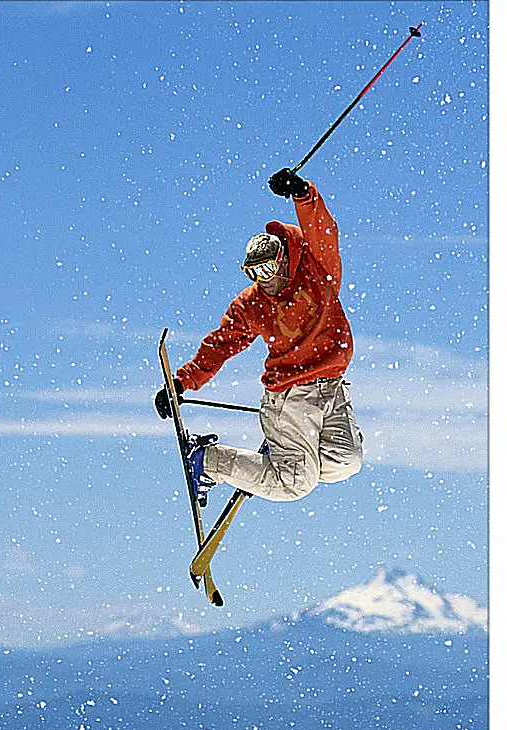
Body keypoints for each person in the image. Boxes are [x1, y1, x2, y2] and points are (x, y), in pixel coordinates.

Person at [155, 167, 363, 504]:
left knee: (346, 461)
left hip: (331, 385)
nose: (262, 280)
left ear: (283, 261)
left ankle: (284, 455)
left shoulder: (317, 270)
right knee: (295, 484)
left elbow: (323, 231)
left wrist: (301, 192)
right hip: (289, 395)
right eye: (253, 273)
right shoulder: (252, 304)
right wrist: (181, 382)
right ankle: (207, 461)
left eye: (266, 270)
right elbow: (220, 345)